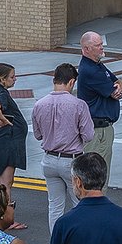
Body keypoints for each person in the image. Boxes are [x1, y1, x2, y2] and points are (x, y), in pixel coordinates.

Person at [31, 63, 95, 230]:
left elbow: (38, 135)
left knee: (55, 206)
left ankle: (56, 241)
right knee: (79, 204)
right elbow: (88, 135)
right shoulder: (79, 105)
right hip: (71, 161)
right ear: (72, 82)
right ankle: (79, 240)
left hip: (49, 159)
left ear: (54, 80)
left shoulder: (39, 104)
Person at [0, 63, 29, 228]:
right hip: (6, 142)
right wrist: (5, 120)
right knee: (5, 184)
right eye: (12, 76)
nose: (15, 79)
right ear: (2, 79)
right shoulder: (1, 94)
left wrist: (3, 118)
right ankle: (6, 219)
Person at [76, 32, 122, 168]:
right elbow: (115, 93)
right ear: (87, 49)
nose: (102, 47)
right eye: (98, 45)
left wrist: (121, 85)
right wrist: (119, 87)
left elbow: (118, 81)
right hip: (97, 130)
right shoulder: (90, 70)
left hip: (103, 127)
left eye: (101, 44)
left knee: (101, 170)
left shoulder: (98, 65)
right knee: (96, 171)